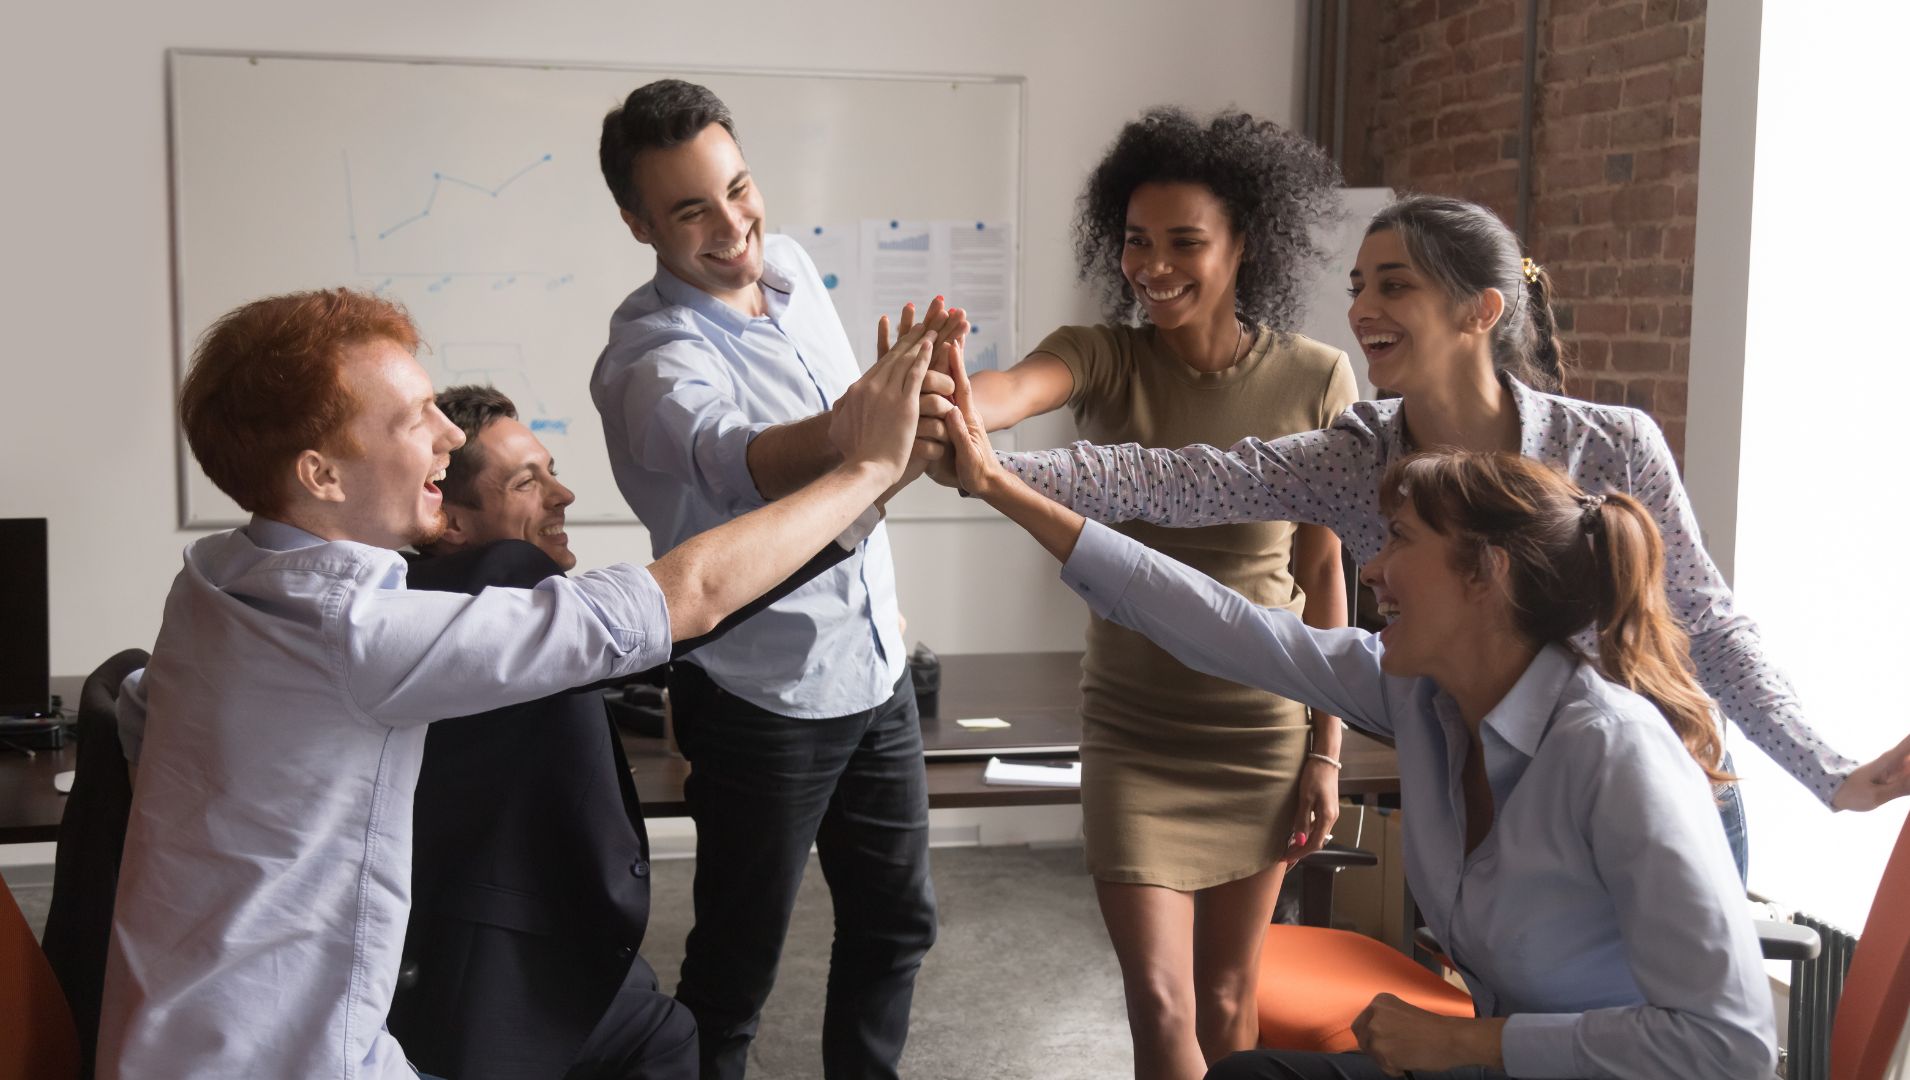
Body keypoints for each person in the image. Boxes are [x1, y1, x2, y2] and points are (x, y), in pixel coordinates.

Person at [97, 287, 938, 1079]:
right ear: (321, 475)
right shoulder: (357, 634)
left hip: (169, 1030)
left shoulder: (213, 578)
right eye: (413, 419)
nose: (448, 436)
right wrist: (864, 469)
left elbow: (140, 712)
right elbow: (689, 596)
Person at [984, 194, 1910, 868]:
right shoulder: (1356, 458)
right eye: (1358, 287)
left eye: (1395, 286)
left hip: (1663, 802)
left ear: (1481, 310)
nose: (1361, 310)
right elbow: (1175, 479)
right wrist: (986, 470)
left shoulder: (1612, 445)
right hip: (1499, 812)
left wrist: (1831, 772)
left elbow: (1707, 624)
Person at [938, 359, 1777, 1078]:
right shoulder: (1423, 695)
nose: (1370, 569)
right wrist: (1000, 487)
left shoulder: (1617, 755)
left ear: (1485, 575)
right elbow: (1219, 625)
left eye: (1399, 542)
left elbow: (1729, 1046)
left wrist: (1474, 1042)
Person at [922, 107, 1355, 1076]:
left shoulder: (1316, 379)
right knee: (1158, 1004)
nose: (1152, 266)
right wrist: (955, 392)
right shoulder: (1104, 354)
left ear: (1246, 242)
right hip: (1133, 729)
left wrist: (1324, 753)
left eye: (1183, 243)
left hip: (1260, 734)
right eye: (1134, 242)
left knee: (1228, 999)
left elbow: (1323, 569)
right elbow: (1012, 389)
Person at [590, 79, 956, 1080]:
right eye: (690, 211)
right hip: (762, 700)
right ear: (637, 224)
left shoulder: (790, 267)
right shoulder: (647, 359)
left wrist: (903, 411)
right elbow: (734, 455)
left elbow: (855, 451)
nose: (731, 226)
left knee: (896, 928)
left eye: (738, 189)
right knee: (733, 975)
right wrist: (864, 432)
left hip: (874, 667)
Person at [387, 385, 867, 1080]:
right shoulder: (498, 580)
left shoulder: (428, 598)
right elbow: (694, 603)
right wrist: (860, 490)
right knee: (665, 1040)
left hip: (507, 945)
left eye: (550, 469)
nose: (564, 494)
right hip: (491, 976)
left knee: (665, 1037)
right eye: (529, 481)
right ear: (449, 519)